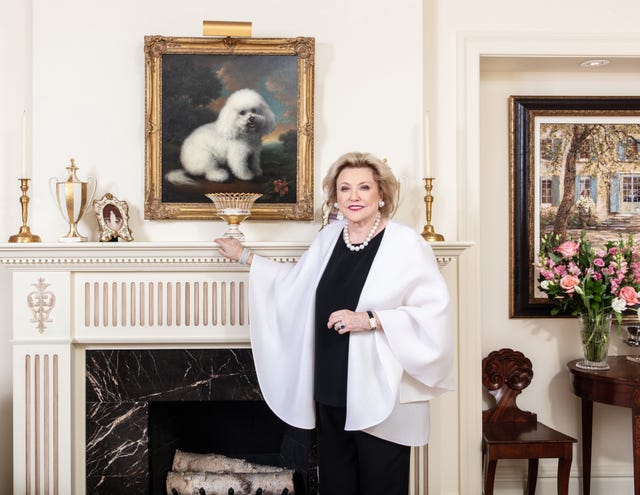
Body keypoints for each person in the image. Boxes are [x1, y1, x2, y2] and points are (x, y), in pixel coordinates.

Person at [216, 151, 454, 495]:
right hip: (330, 384)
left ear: (381, 194)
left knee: (381, 484)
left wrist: (369, 319)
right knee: (336, 483)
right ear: (335, 197)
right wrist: (245, 257)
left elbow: (432, 312)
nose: (353, 196)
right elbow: (296, 285)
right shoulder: (330, 238)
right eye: (345, 189)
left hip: (379, 388)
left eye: (363, 187)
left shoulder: (406, 244)